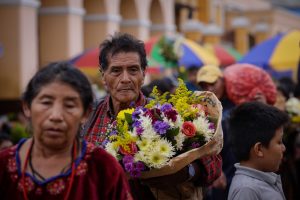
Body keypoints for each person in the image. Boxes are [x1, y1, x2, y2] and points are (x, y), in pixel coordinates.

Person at [81, 33, 222, 199]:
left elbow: (214, 164)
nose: (125, 79)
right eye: (116, 71)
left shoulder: (164, 114)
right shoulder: (88, 116)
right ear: (103, 76)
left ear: (143, 74)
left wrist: (186, 172)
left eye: (133, 70)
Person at [0, 62, 132, 199]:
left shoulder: (103, 167)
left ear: (86, 113)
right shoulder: (3, 165)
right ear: (27, 107)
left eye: (69, 105)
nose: (56, 116)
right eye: (46, 102)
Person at [228, 101, 288, 200]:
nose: (283, 148)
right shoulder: (247, 190)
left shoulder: (263, 179)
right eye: (279, 142)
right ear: (259, 149)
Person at [197, 65, 236, 200]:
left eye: (213, 83)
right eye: (204, 85)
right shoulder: (199, 111)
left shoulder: (237, 105)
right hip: (216, 174)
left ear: (223, 81)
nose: (209, 89)